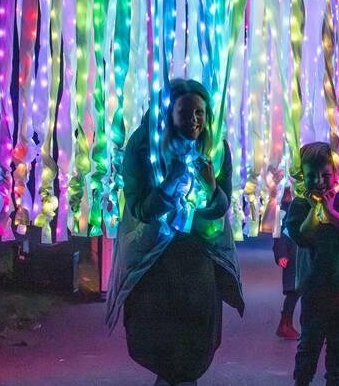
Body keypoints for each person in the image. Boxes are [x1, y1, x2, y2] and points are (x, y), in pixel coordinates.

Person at [105, 79, 245, 386]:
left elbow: (221, 207)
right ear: (168, 114)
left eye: (200, 113)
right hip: (156, 262)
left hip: (199, 260)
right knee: (164, 348)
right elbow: (141, 209)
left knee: (193, 346)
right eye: (185, 113)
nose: (195, 121)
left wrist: (209, 187)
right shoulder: (143, 145)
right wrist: (170, 183)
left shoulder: (215, 148)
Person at [285, 142, 339, 386]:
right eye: (312, 175)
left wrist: (330, 211)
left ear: (335, 173)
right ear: (303, 175)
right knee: (309, 346)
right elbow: (301, 234)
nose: (319, 181)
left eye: (325, 175)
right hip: (314, 291)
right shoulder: (301, 204)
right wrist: (317, 209)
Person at [273, 185, 301, 340]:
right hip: (292, 255)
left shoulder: (293, 206)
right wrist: (281, 254)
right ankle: (285, 324)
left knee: (296, 291)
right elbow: (279, 234)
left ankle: (286, 324)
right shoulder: (284, 209)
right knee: (293, 291)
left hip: (297, 253)